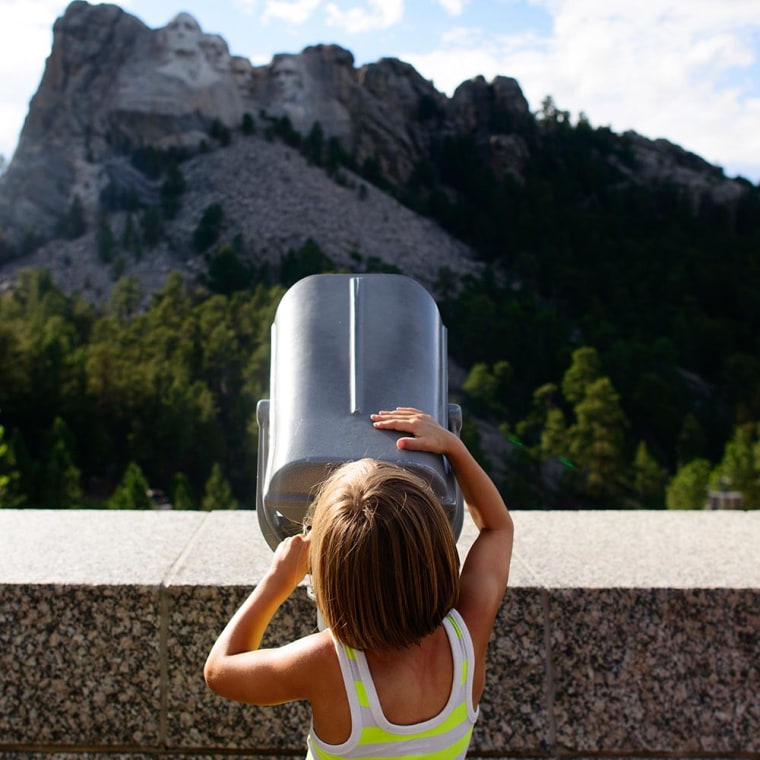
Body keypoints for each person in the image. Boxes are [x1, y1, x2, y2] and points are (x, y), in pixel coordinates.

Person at [204, 407, 514, 759]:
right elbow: (497, 528)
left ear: (332, 581)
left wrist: (277, 581)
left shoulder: (326, 663)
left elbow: (220, 670)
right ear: (438, 559)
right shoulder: (466, 638)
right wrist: (454, 447)